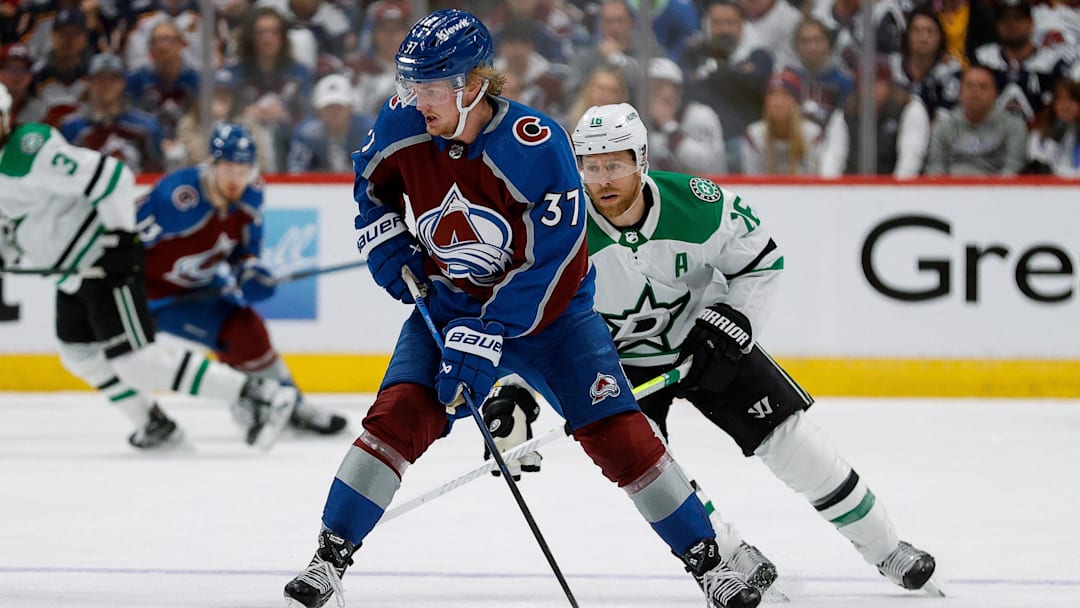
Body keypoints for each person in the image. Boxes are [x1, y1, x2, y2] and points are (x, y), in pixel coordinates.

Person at [283, 10, 761, 608]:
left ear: (472, 85)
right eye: (410, 84)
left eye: (428, 87)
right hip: (451, 307)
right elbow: (371, 186)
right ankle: (329, 557)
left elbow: (555, 262)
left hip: (555, 320)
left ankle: (709, 563)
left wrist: (487, 335)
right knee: (397, 418)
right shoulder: (402, 123)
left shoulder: (537, 145)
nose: (413, 99)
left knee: (620, 436)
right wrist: (385, 238)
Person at [484, 101, 942, 598]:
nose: (601, 180)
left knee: (795, 444)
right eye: (589, 166)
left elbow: (762, 261)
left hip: (708, 342)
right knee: (658, 473)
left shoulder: (698, 204)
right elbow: (534, 322)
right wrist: (517, 393)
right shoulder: (560, 229)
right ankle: (731, 555)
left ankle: (887, 548)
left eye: (614, 164)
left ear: (641, 160)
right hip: (617, 368)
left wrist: (734, 319)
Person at [0, 84, 298, 451]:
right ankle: (154, 423)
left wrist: (120, 242)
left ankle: (257, 394)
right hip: (69, 275)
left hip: (98, 258)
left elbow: (111, 177)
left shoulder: (29, 148)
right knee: (79, 354)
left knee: (135, 362)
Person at [137, 122, 348, 435]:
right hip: (155, 298)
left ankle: (292, 404)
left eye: (243, 168)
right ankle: (246, 402)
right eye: (228, 168)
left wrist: (250, 270)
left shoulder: (250, 195)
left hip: (201, 286)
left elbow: (245, 249)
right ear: (212, 164)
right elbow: (124, 242)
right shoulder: (178, 199)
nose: (235, 178)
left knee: (248, 331)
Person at [925, 64, 1028, 176]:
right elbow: (934, 168)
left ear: (995, 93)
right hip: (951, 189)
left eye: (983, 87)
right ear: (960, 92)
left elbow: (1012, 168)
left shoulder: (1013, 127)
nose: (975, 92)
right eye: (969, 86)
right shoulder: (943, 127)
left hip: (996, 190)